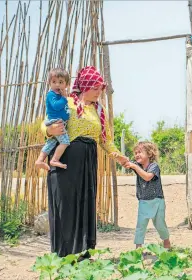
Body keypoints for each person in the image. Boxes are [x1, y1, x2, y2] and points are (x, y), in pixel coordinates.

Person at [42, 66, 128, 259]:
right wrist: (48, 131)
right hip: (65, 160)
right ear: (86, 86)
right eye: (96, 88)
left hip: (88, 162)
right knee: (66, 205)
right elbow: (47, 121)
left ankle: (82, 253)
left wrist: (118, 155)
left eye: (101, 88)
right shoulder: (67, 102)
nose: (99, 92)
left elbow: (105, 140)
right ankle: (64, 254)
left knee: (84, 204)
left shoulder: (99, 110)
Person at [124, 141, 171, 250]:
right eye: (135, 153)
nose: (137, 155)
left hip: (157, 201)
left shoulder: (154, 166)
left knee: (160, 224)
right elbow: (125, 163)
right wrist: (119, 157)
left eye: (140, 152)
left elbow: (147, 177)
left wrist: (135, 167)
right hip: (144, 201)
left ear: (149, 154)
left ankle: (166, 241)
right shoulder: (137, 165)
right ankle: (138, 248)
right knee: (141, 225)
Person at [35, 68, 71, 170]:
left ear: (66, 84)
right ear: (49, 83)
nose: (57, 85)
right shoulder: (51, 95)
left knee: (51, 142)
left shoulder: (60, 96)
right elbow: (56, 106)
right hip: (56, 122)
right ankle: (54, 159)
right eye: (54, 82)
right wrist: (64, 98)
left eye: (61, 82)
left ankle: (40, 160)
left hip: (57, 121)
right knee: (65, 142)